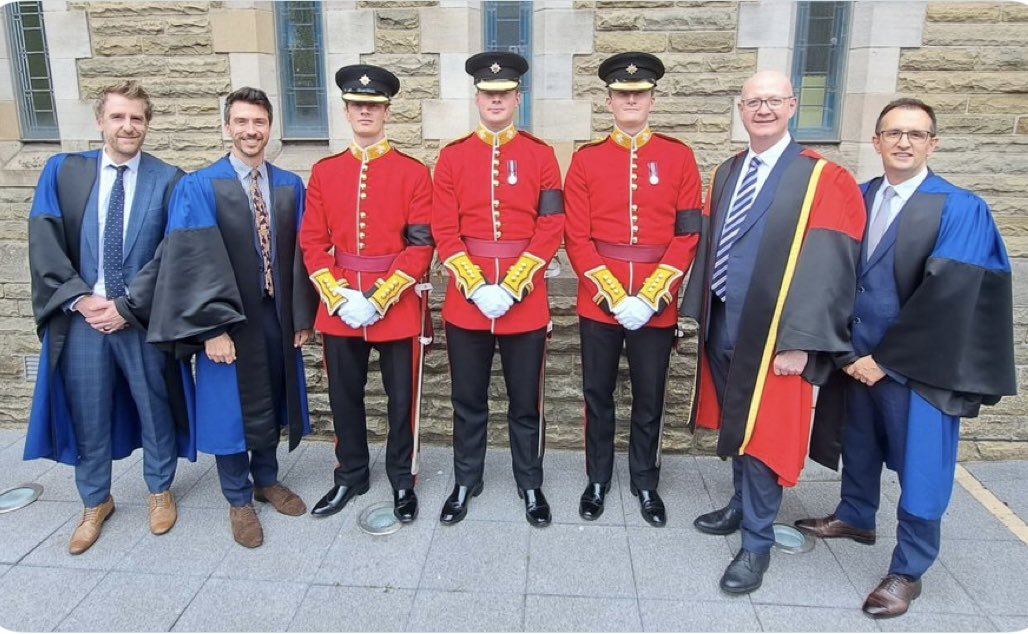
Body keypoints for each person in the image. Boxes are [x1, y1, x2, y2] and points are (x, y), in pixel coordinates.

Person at [795, 98, 1016, 618]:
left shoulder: (960, 208)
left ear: (932, 144)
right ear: (876, 142)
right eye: (893, 133)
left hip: (917, 367)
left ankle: (909, 569)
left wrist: (885, 361)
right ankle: (855, 516)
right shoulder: (859, 196)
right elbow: (831, 275)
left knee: (922, 467)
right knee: (860, 442)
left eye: (916, 134)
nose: (903, 142)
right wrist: (846, 351)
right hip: (856, 359)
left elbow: (948, 299)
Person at [679, 70, 866, 593]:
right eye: (752, 101)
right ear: (741, 109)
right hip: (724, 322)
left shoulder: (824, 178)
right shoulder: (728, 171)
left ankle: (757, 544)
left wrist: (801, 342)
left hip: (777, 337)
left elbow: (830, 268)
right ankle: (741, 506)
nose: (762, 109)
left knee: (765, 436)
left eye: (773, 100)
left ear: (792, 106)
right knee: (737, 425)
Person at [25, 81, 191, 554]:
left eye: (137, 118)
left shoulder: (168, 179)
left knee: (154, 405)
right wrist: (80, 300)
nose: (128, 126)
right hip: (81, 318)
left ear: (147, 123)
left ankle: (160, 491)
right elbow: (45, 240)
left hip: (139, 319)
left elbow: (171, 252)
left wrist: (125, 305)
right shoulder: (65, 172)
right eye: (118, 117)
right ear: (101, 120)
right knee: (88, 409)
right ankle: (95, 500)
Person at [148, 87, 317, 548]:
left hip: (275, 315)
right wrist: (212, 330)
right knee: (230, 409)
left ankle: (267, 479)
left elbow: (303, 256)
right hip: (229, 319)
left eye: (258, 122)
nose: (250, 131)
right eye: (241, 122)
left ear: (269, 128)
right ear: (227, 127)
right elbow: (191, 262)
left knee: (272, 398)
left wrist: (303, 315)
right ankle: (238, 498)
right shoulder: (200, 186)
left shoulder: (287, 184)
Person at [564, 52, 701, 527]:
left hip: (655, 305)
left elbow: (687, 234)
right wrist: (612, 294)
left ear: (652, 100)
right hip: (600, 303)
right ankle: (597, 477)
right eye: (622, 94)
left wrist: (651, 296)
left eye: (638, 94)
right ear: (608, 101)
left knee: (650, 396)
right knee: (597, 394)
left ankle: (645, 480)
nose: (630, 100)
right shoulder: (586, 159)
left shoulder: (679, 156)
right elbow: (576, 237)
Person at [432, 51, 564, 527]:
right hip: (467, 306)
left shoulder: (541, 155)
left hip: (523, 302)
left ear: (518, 99)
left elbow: (551, 224)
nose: (496, 100)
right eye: (488, 94)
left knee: (526, 402)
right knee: (468, 400)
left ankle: (530, 481)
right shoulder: (452, 156)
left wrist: (512, 285)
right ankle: (467, 478)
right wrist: (473, 282)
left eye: (504, 94)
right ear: (477, 98)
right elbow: (443, 228)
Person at [300, 64, 434, 522]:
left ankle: (402, 477)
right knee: (343, 396)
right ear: (346, 111)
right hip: (340, 303)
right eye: (358, 105)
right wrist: (339, 297)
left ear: (386, 112)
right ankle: (351, 474)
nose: (365, 112)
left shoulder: (413, 173)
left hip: (395, 304)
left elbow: (420, 245)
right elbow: (313, 243)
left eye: (373, 105)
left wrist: (378, 298)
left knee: (402, 398)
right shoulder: (325, 171)